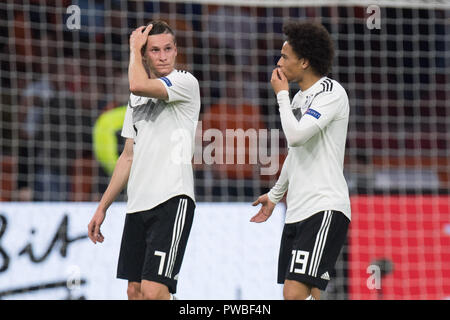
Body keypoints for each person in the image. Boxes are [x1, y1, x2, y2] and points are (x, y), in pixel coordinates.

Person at [87, 20, 201, 300]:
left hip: (172, 200)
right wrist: (102, 207)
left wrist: (133, 50)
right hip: (138, 204)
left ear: (176, 51)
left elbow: (137, 83)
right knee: (134, 290)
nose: (163, 56)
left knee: (153, 291)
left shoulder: (184, 82)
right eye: (154, 50)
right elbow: (128, 156)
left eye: (168, 49)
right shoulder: (135, 100)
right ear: (146, 55)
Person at [251, 21, 351, 300]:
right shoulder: (299, 100)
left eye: (285, 56)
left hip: (324, 206)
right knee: (313, 292)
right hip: (298, 210)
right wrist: (274, 195)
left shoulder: (331, 93)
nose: (279, 62)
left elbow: (295, 137)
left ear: (304, 61)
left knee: (293, 293)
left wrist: (281, 95)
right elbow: (295, 155)